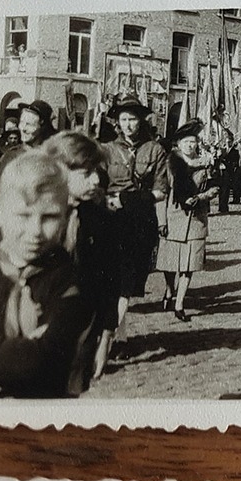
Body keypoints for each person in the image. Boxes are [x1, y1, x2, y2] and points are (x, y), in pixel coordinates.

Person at [0, 152, 98, 398]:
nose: (35, 231)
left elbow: (40, 363)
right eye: (23, 215)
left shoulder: (73, 282)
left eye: (50, 217)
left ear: (66, 218)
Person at [42, 131, 120, 382]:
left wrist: (106, 334)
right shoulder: (35, 220)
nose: (96, 179)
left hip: (83, 333)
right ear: (59, 172)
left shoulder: (99, 219)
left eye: (96, 171)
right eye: (86, 174)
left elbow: (110, 279)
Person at [102, 99, 169, 343]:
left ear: (141, 121)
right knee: (109, 280)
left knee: (127, 284)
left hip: (139, 224)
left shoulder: (155, 150)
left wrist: (127, 200)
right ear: (117, 123)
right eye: (124, 119)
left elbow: (161, 191)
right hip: (109, 221)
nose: (128, 125)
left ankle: (114, 337)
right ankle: (117, 335)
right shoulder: (106, 150)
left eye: (133, 119)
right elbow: (98, 186)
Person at [155, 120, 219, 322]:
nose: (191, 146)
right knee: (170, 263)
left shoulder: (206, 164)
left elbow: (216, 188)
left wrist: (201, 197)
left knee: (189, 265)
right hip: (173, 218)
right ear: (179, 144)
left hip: (196, 220)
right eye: (187, 142)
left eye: (194, 142)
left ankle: (179, 304)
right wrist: (161, 221)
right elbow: (161, 194)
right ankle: (169, 289)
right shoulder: (169, 164)